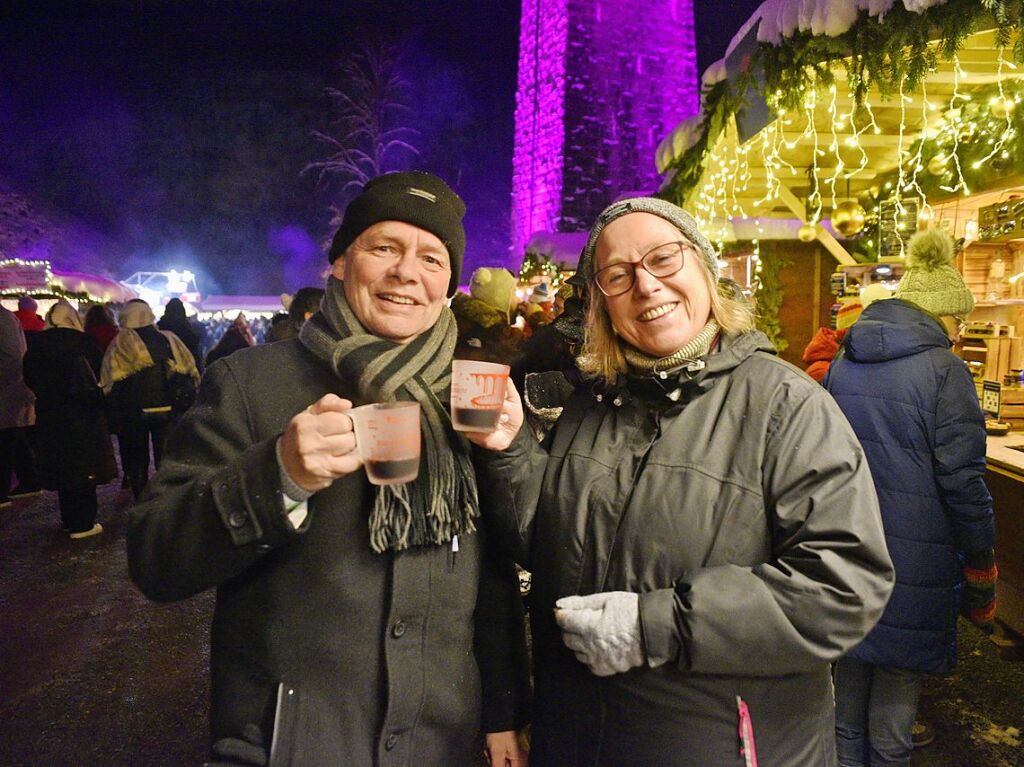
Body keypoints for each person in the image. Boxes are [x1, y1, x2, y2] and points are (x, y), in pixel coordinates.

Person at [468, 196, 894, 766]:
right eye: (618, 275)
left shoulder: (787, 406)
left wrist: (656, 625)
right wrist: (509, 452)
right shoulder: (594, 404)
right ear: (602, 307)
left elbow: (844, 588)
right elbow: (547, 545)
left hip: (722, 745)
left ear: (705, 271)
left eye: (665, 259)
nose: (646, 285)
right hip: (580, 740)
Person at [126, 171, 528, 767]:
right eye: (384, 247)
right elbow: (155, 559)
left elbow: (495, 571)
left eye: (432, 258)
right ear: (340, 263)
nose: (406, 272)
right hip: (292, 741)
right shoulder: (249, 382)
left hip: (441, 741)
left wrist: (502, 712)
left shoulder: (469, 390)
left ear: (448, 286)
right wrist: (277, 476)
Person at [824, 229, 997, 767]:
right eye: (960, 320)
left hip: (845, 547)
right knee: (895, 711)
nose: (961, 330)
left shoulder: (843, 361)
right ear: (941, 316)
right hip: (913, 559)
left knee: (845, 706)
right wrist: (982, 555)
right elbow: (962, 479)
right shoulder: (945, 370)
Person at [23, 301, 116, 538]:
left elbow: (29, 377)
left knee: (62, 465)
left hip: (51, 414)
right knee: (84, 467)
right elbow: (99, 375)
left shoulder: (38, 344)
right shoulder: (83, 342)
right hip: (82, 413)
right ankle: (83, 521)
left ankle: (68, 518)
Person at [100, 299, 199, 498]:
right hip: (168, 407)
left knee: (137, 459)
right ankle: (165, 499)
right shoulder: (169, 339)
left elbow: (109, 379)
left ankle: (141, 498)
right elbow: (189, 368)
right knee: (165, 458)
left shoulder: (121, 342)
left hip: (133, 412)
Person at [0, 305, 38, 507]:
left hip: (7, 388)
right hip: (10, 389)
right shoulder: (6, 318)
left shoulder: (3, 319)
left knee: (6, 437)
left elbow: (13, 357)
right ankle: (29, 480)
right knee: (12, 435)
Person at [158, 297, 204, 373]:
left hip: (165, 369)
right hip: (186, 370)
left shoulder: (160, 326)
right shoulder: (188, 327)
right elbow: (195, 350)